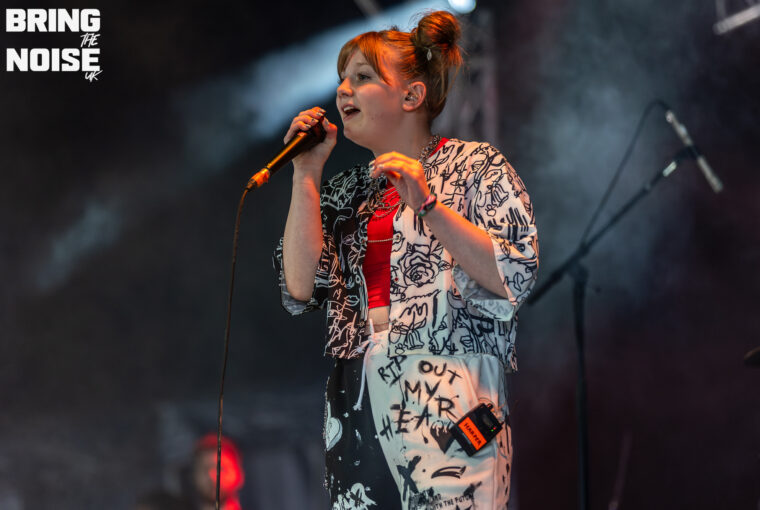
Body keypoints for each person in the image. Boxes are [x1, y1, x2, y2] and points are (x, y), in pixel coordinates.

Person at [273, 10, 538, 509]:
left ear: (412, 96)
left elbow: (514, 274)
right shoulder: (344, 192)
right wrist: (305, 174)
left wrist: (429, 204)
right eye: (341, 79)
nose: (343, 90)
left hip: (447, 391)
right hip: (355, 392)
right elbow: (300, 288)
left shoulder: (475, 166)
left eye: (362, 77)